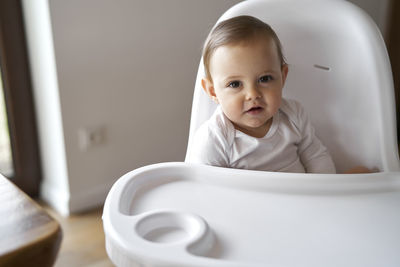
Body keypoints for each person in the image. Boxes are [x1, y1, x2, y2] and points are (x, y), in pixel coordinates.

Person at [187, 15, 371, 173]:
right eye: (235, 84)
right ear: (213, 91)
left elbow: (316, 156)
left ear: (282, 77)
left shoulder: (293, 115)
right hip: (249, 210)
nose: (253, 94)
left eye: (265, 79)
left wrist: (326, 189)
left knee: (363, 174)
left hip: (301, 198)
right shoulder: (214, 139)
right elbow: (202, 188)